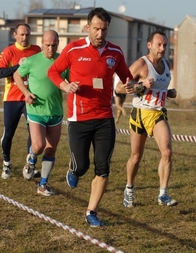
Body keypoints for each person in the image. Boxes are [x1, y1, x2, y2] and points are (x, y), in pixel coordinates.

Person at [48, 7, 136, 227]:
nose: (99, 34)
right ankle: (74, 169)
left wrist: (131, 84)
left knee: (103, 167)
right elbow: (53, 72)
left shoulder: (115, 52)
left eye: (104, 29)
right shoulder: (74, 49)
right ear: (87, 27)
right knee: (82, 166)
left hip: (105, 117)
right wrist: (65, 85)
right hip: (79, 118)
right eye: (96, 28)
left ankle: (91, 211)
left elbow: (127, 77)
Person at [117, 30, 178, 208]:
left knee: (166, 152)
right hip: (140, 114)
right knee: (136, 157)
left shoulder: (166, 64)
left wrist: (168, 93)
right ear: (149, 45)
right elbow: (120, 87)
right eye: (159, 44)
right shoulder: (141, 64)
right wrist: (140, 85)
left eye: (165, 45)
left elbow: (158, 88)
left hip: (158, 113)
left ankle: (163, 193)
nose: (162, 48)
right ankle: (129, 188)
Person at [13, 30, 68, 196]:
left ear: (58, 43)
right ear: (42, 43)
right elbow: (16, 75)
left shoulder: (63, 61)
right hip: (36, 109)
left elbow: (72, 80)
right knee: (38, 146)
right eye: (47, 45)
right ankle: (31, 158)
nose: (50, 49)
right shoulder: (32, 61)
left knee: (51, 149)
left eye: (54, 45)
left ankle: (43, 185)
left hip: (55, 111)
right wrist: (25, 92)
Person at [0, 23, 41, 179]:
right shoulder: (8, 51)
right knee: (9, 134)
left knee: (33, 134)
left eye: (27, 34)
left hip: (31, 98)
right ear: (15, 35)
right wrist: (17, 67)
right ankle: (6, 163)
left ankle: (30, 165)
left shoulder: (36, 50)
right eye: (21, 34)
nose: (24, 37)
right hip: (12, 98)